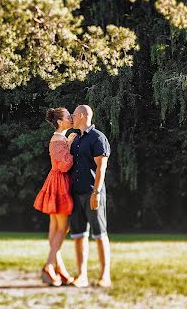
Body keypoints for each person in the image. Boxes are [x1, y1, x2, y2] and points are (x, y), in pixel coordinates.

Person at [33, 107, 78, 286]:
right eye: (68, 116)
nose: (71, 118)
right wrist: (71, 145)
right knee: (62, 228)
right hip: (59, 183)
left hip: (57, 181)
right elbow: (64, 165)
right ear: (60, 121)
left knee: (55, 228)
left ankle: (60, 269)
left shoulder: (61, 138)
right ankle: (49, 266)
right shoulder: (59, 140)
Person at [69, 104, 112, 288]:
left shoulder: (98, 138)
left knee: (100, 235)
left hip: (93, 193)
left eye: (73, 114)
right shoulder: (76, 139)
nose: (71, 117)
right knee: (79, 235)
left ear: (80, 115)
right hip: (75, 194)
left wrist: (96, 192)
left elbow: (101, 168)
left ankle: (105, 276)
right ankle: (82, 276)